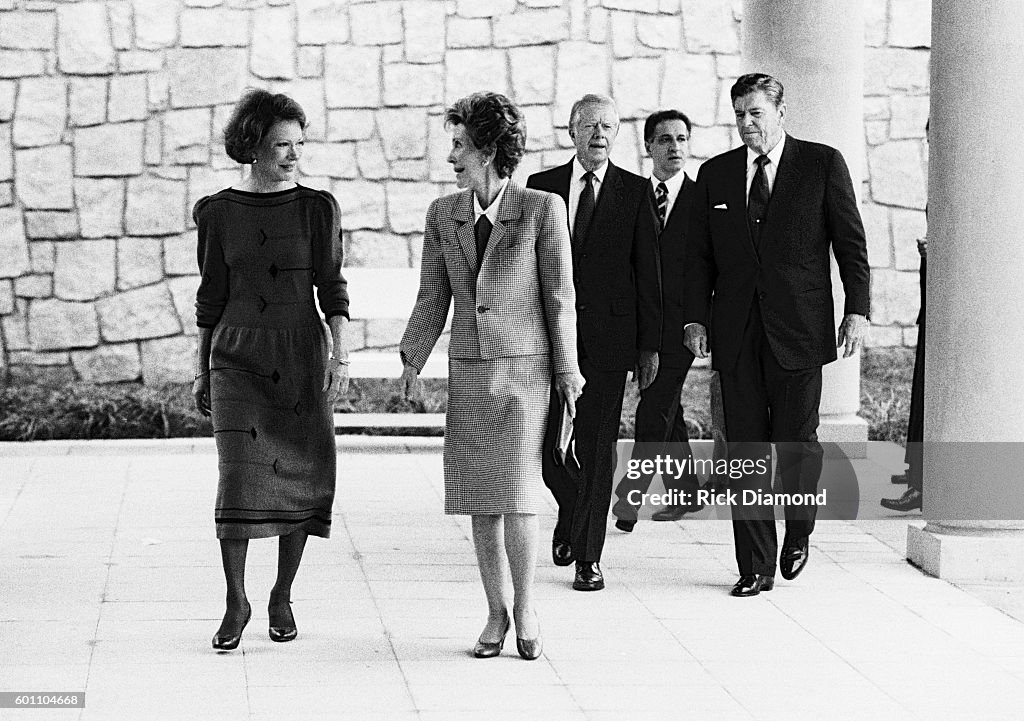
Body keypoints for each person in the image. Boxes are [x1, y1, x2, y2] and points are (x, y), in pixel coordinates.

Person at [400, 92, 583, 660]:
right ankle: (494, 612)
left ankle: (526, 606)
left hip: (524, 375)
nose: (452, 156)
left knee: (520, 493)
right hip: (470, 374)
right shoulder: (443, 214)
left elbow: (560, 297)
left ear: (488, 149)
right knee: (481, 498)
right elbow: (432, 294)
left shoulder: (541, 208)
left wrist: (568, 373)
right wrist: (411, 361)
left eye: (460, 145)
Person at [683, 73, 870, 597]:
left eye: (756, 113)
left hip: (800, 332)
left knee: (796, 444)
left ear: (780, 112)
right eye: (739, 113)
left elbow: (850, 244)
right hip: (737, 334)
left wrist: (857, 309)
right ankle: (755, 565)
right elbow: (698, 258)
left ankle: (800, 529)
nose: (746, 123)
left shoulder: (821, 164)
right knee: (744, 449)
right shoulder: (716, 174)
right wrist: (695, 318)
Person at [192, 89, 350, 649]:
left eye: (299, 144)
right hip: (236, 357)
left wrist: (340, 353)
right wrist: (201, 367)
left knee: (300, 474)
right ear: (253, 146)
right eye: (281, 144)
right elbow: (210, 296)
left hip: (300, 355)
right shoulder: (216, 212)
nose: (293, 154)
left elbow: (331, 288)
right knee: (237, 478)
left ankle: (282, 592)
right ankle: (237, 600)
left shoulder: (317, 208)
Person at [527, 94, 661, 592]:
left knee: (598, 446)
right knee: (545, 451)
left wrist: (649, 347)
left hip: (609, 342)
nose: (599, 134)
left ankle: (588, 555)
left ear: (618, 132)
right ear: (571, 132)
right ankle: (574, 505)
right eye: (589, 126)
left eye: (608, 125)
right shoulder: (541, 189)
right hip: (546, 340)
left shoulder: (634, 191)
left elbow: (649, 273)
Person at [612, 109, 702, 532]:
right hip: (639, 326)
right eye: (665, 140)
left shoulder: (703, 201)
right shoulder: (631, 197)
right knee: (668, 408)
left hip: (682, 330)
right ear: (648, 147)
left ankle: (629, 499)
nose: (675, 148)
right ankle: (685, 492)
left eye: (682, 139)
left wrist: (700, 322)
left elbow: (711, 270)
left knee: (654, 408)